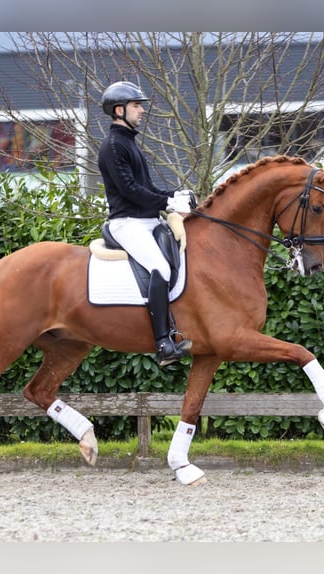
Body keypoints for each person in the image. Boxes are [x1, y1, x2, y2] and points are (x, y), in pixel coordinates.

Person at [97, 80, 193, 366]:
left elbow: (147, 188)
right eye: (136, 105)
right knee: (159, 267)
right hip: (127, 223)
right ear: (119, 110)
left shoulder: (129, 143)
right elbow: (129, 190)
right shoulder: (113, 145)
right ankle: (163, 342)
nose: (141, 111)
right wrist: (167, 203)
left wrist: (176, 195)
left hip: (147, 221)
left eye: (140, 106)